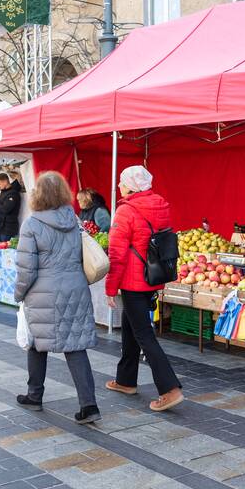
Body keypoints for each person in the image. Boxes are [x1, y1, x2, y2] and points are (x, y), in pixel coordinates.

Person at [14, 171, 101, 424]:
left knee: (35, 342)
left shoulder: (32, 224)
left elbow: (26, 269)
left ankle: (35, 394)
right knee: (75, 346)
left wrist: (19, 293)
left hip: (43, 292)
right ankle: (89, 405)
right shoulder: (74, 220)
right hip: (75, 288)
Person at [104, 165, 184, 413]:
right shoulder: (160, 205)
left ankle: (170, 389)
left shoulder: (126, 211)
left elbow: (116, 254)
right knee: (131, 327)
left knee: (143, 334)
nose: (119, 186)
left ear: (131, 185)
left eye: (122, 182)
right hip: (152, 276)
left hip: (132, 279)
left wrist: (110, 287)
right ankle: (126, 380)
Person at [0, 172, 22, 243]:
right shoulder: (4, 192)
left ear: (5, 182)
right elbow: (1, 205)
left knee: (5, 251)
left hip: (7, 229)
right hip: (1, 228)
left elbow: (6, 209)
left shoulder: (13, 193)